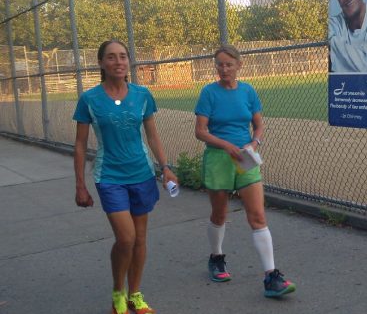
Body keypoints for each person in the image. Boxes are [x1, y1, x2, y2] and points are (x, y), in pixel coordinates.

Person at [73, 40, 177, 314]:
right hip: (109, 177)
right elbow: (81, 144)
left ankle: (135, 294)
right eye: (111, 57)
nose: (118, 62)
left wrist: (165, 166)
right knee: (126, 238)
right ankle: (118, 292)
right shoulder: (90, 99)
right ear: (101, 63)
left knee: (140, 239)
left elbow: (152, 135)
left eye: (122, 56)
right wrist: (80, 184)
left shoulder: (142, 95)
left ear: (128, 61)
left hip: (141, 173)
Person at [194, 44, 296, 298]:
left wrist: (254, 142)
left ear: (239, 65)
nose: (224, 69)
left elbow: (259, 125)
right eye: (220, 64)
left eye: (229, 64)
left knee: (258, 216)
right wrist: (227, 145)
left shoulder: (248, 91)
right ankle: (216, 258)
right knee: (219, 214)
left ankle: (271, 276)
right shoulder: (208, 93)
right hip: (219, 158)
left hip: (245, 159)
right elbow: (201, 131)